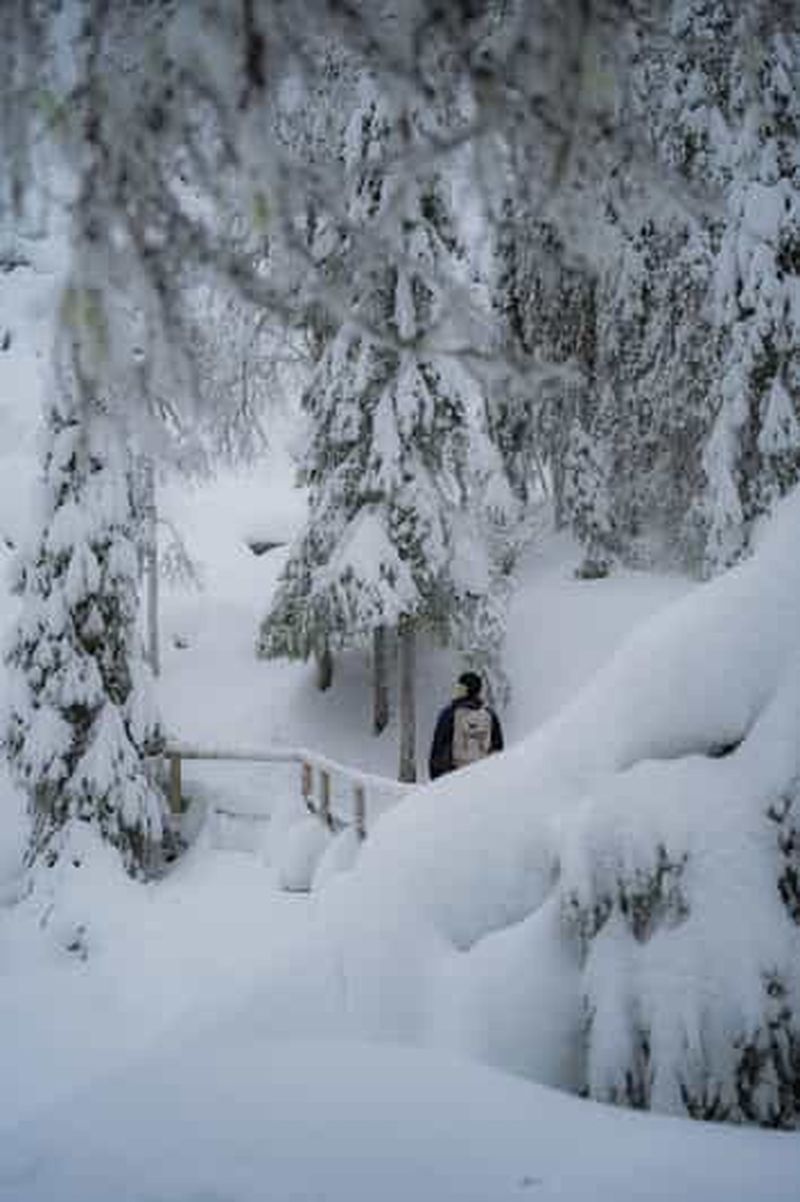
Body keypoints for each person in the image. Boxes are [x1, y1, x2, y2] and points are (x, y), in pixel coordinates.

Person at [428, 671, 504, 780]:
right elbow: (498, 749)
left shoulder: (449, 713)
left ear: (463, 690)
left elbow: (438, 748)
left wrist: (436, 780)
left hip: (453, 776)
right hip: (483, 777)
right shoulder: (490, 715)